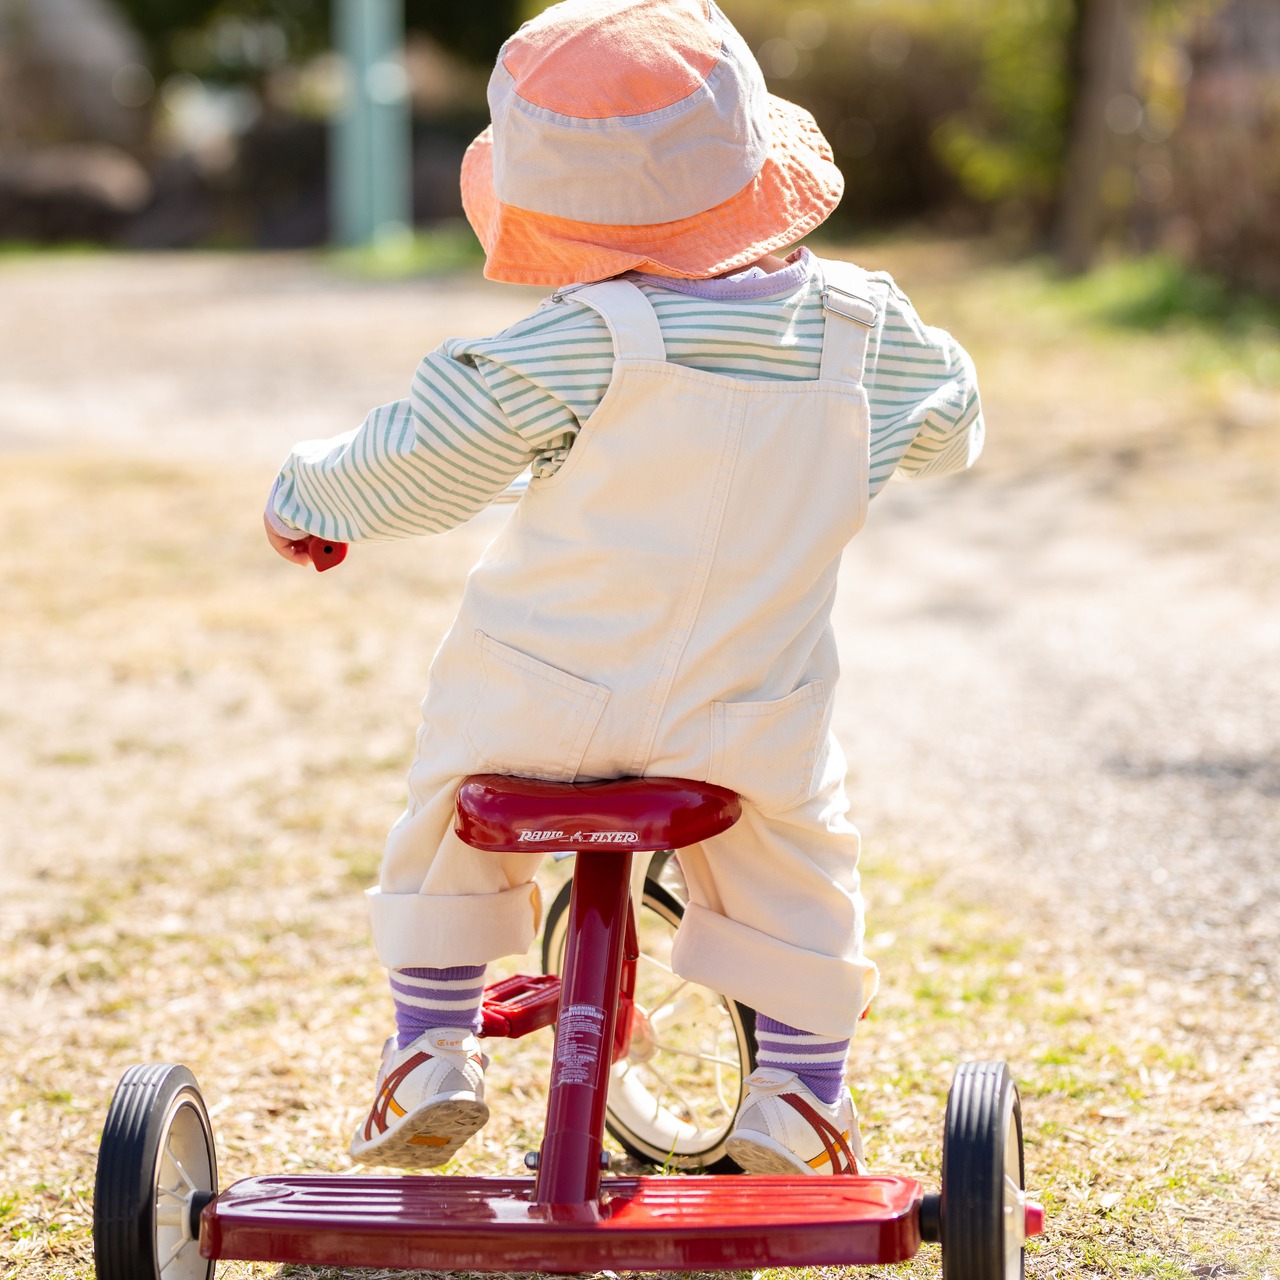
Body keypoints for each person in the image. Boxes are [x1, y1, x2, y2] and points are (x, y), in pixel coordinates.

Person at [264, 0, 983, 1177]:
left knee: (451, 822)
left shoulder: (579, 337)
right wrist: (876, 439)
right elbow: (950, 422)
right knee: (799, 867)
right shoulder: (871, 331)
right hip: (745, 713)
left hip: (539, 700)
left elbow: (420, 455)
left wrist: (307, 498)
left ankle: (431, 1046)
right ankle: (798, 1095)